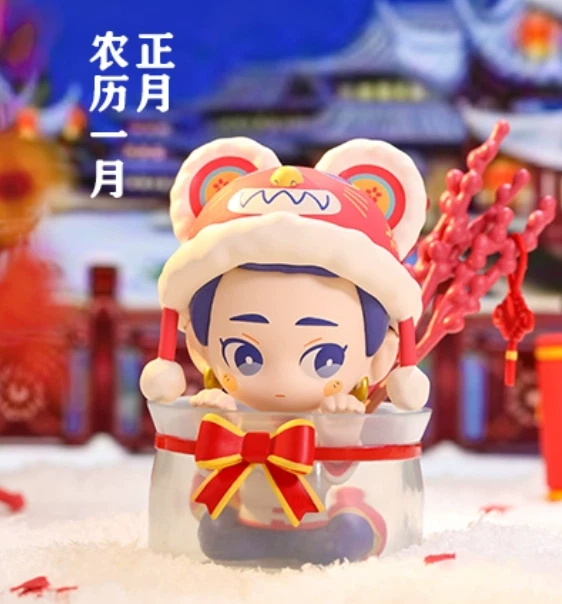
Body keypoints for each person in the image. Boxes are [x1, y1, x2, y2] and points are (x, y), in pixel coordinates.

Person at [140, 136, 430, 564]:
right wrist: (214, 421)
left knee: (344, 536)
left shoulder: (334, 415)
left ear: (381, 356)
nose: (281, 382)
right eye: (245, 355)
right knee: (216, 535)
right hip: (244, 528)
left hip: (316, 527)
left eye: (324, 359)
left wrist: (341, 433)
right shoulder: (229, 416)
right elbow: (206, 479)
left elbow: (338, 471)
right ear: (200, 345)